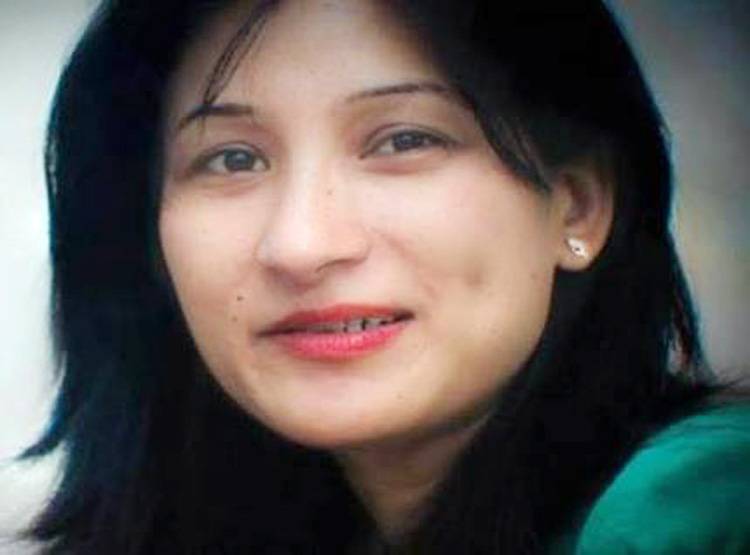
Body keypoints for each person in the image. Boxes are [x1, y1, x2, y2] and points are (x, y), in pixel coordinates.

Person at [19, 0, 750, 553]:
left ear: (577, 206)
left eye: (404, 140)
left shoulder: (697, 510)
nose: (301, 245)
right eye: (232, 158)